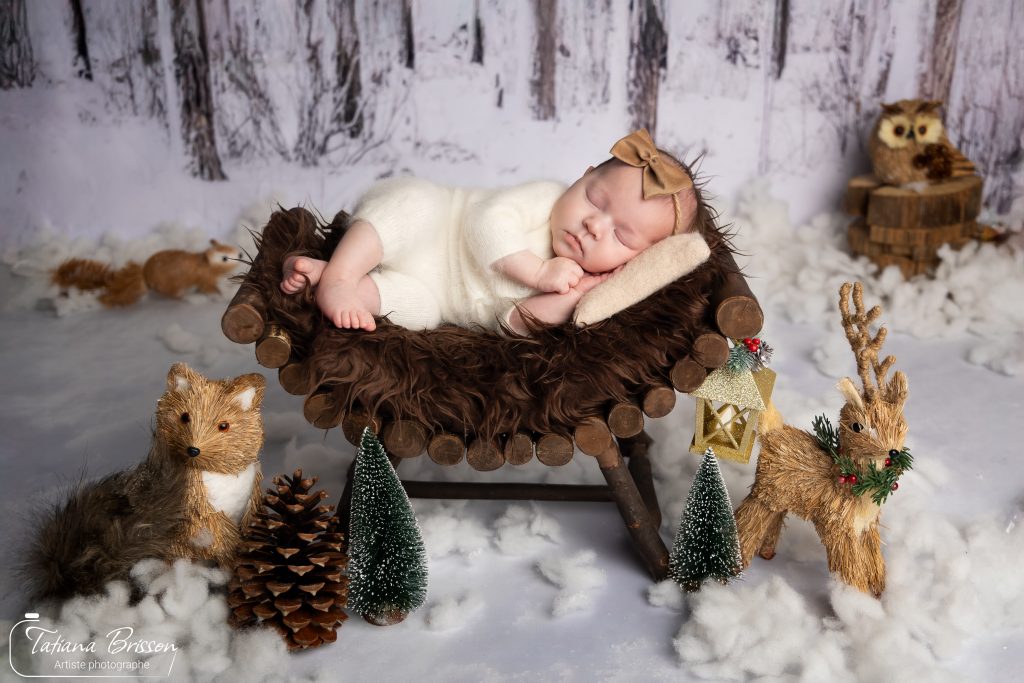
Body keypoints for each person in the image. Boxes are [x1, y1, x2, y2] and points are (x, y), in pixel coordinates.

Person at [280, 129, 697, 335]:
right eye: (594, 199)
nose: (594, 225)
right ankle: (340, 277)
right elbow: (486, 222)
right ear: (581, 177)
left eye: (620, 237)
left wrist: (575, 296)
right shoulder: (547, 198)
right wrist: (538, 272)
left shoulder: (574, 280)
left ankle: (331, 277)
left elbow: (513, 323)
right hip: (437, 228)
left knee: (419, 313)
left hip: (437, 294)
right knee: (412, 206)